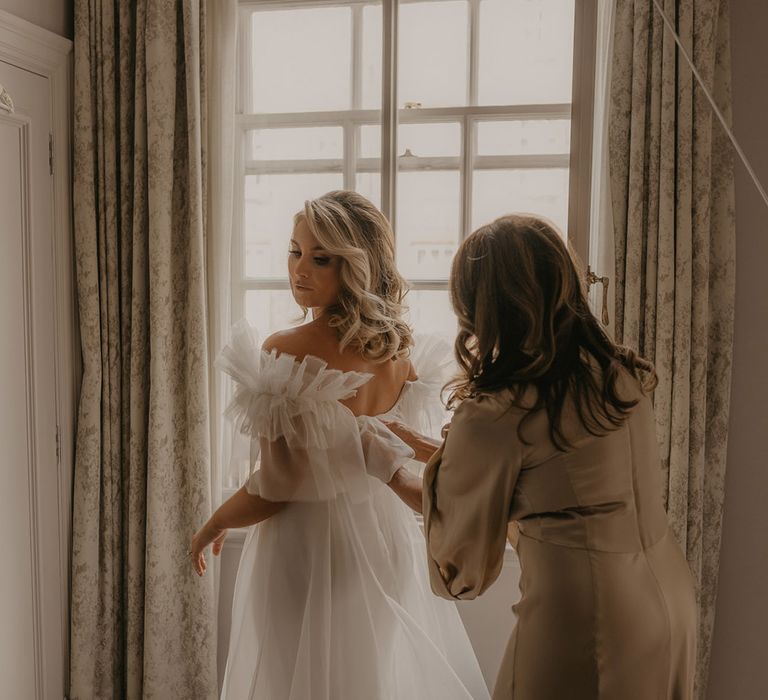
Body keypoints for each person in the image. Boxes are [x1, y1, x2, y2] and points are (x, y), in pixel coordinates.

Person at [190, 191, 489, 700]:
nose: (299, 269)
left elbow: (277, 486)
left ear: (357, 266)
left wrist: (215, 522)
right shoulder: (397, 351)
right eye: (294, 250)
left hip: (304, 548)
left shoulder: (284, 351)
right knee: (366, 682)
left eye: (321, 257)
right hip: (384, 545)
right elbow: (396, 448)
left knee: (294, 684)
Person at [384, 214, 698, 699]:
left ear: (479, 305)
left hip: (586, 615)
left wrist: (382, 464)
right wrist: (433, 451)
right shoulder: (614, 374)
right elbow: (553, 475)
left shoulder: (498, 410)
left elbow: (461, 554)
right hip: (667, 600)